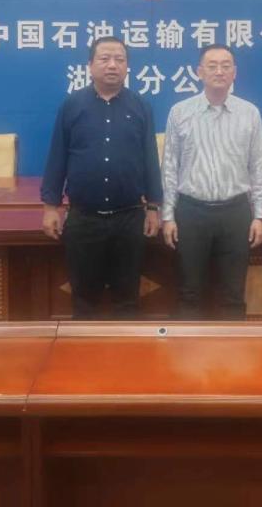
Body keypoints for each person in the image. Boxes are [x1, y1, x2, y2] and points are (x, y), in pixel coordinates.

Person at [40, 36, 162, 318]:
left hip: (129, 218)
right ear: (90, 65)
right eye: (105, 59)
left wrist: (154, 207)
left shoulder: (141, 106)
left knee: (127, 299)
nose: (112, 65)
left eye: (119, 59)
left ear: (127, 67)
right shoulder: (72, 105)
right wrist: (50, 207)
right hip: (84, 219)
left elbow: (150, 159)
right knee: (84, 300)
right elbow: (58, 156)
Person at [161, 44, 262, 319]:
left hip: (235, 213)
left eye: (225, 65)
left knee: (233, 295)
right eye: (212, 66)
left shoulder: (250, 113)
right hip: (191, 212)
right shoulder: (180, 112)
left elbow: (258, 167)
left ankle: (231, 348)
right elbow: (170, 167)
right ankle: (188, 348)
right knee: (189, 293)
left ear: (235, 72)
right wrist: (168, 216)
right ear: (199, 72)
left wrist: (260, 216)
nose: (219, 71)